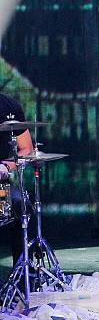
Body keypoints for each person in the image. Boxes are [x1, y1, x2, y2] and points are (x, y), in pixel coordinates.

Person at [0, 93, 34, 266]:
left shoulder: (9, 106)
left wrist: (5, 166)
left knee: (22, 205)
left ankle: (23, 278)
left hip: (0, 187)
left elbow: (26, 148)